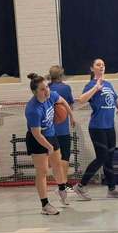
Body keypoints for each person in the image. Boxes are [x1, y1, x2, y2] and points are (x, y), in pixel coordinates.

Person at [73, 58, 118, 200]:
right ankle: (81, 186)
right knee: (102, 157)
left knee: (109, 159)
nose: (101, 66)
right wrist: (96, 87)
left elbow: (114, 99)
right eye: (98, 64)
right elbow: (82, 99)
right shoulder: (90, 85)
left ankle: (112, 189)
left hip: (109, 127)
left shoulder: (109, 84)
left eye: (103, 64)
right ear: (92, 68)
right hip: (97, 127)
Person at [26, 73, 73, 216]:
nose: (46, 91)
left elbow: (64, 102)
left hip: (51, 135)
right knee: (43, 171)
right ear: (35, 92)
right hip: (37, 140)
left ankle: (61, 188)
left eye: (46, 87)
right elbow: (36, 134)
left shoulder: (51, 95)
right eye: (42, 89)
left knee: (57, 164)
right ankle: (45, 204)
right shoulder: (33, 109)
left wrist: (71, 116)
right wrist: (48, 146)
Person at [48, 65, 78, 203]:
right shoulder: (65, 88)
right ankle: (63, 184)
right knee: (65, 156)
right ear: (61, 75)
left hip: (49, 130)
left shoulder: (46, 88)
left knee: (54, 158)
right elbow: (69, 106)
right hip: (62, 129)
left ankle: (59, 184)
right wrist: (69, 115)